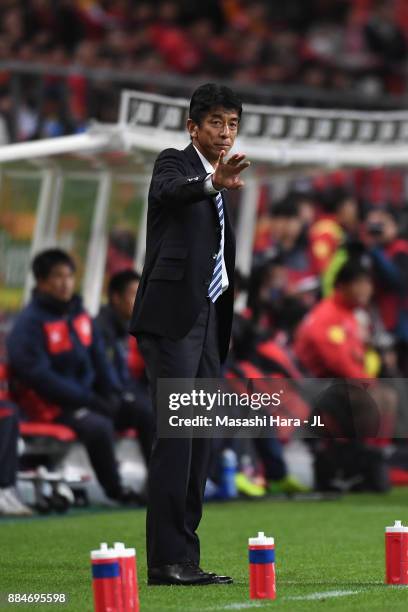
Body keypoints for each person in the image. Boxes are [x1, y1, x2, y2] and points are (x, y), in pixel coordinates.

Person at [129, 83, 250, 586]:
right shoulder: (174, 165)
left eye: (233, 124)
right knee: (176, 437)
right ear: (193, 127)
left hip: (209, 321)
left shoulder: (223, 181)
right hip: (175, 321)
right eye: (217, 122)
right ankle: (164, 561)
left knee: (199, 440)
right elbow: (169, 193)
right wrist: (210, 184)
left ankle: (186, 557)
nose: (226, 133)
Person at [7, 249, 143, 505]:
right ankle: (116, 491)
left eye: (69, 275)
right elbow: (39, 377)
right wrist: (88, 399)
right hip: (50, 407)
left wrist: (113, 392)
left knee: (145, 411)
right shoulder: (28, 324)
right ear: (41, 280)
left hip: (88, 399)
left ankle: (162, 486)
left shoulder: (79, 315)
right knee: (98, 426)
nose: (65, 282)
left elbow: (99, 358)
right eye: (58, 276)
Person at [96, 269, 154, 465]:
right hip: (104, 398)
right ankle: (158, 482)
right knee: (149, 411)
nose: (140, 300)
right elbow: (106, 375)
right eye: (133, 294)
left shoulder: (129, 327)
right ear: (116, 297)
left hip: (126, 394)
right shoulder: (101, 328)